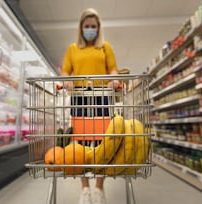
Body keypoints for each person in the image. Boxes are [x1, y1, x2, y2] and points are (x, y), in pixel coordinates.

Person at [61, 8, 120, 204]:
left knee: (103, 143)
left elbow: (113, 70)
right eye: (86, 26)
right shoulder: (72, 49)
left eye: (93, 26)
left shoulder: (105, 48)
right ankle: (85, 189)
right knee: (80, 144)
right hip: (80, 98)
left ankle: (99, 188)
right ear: (80, 28)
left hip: (102, 98)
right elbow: (65, 72)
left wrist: (113, 80)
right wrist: (67, 81)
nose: (90, 30)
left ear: (99, 28)